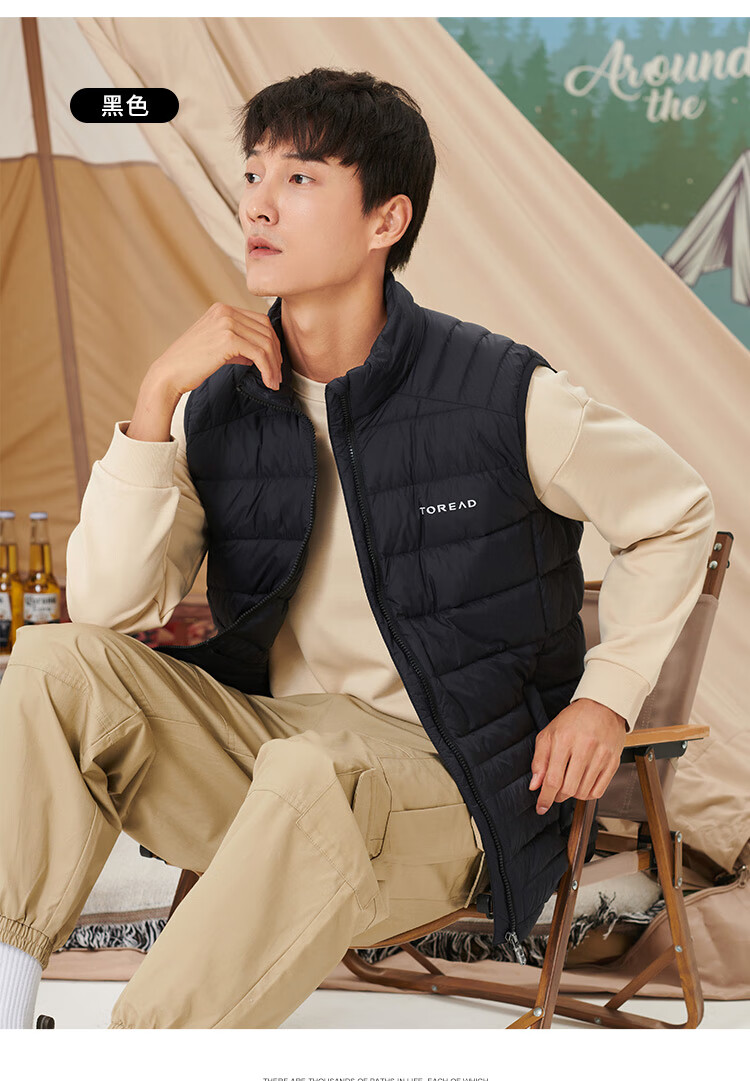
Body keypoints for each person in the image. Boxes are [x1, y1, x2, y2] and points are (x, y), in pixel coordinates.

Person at [0, 67, 714, 1029]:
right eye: (253, 174)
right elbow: (107, 610)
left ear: (387, 220)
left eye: (298, 178)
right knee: (52, 662)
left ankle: (143, 1073)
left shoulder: (499, 394)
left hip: (451, 786)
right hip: (270, 761)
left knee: (316, 767)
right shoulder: (223, 404)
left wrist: (604, 696)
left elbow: (676, 512)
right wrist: (156, 398)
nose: (258, 204)